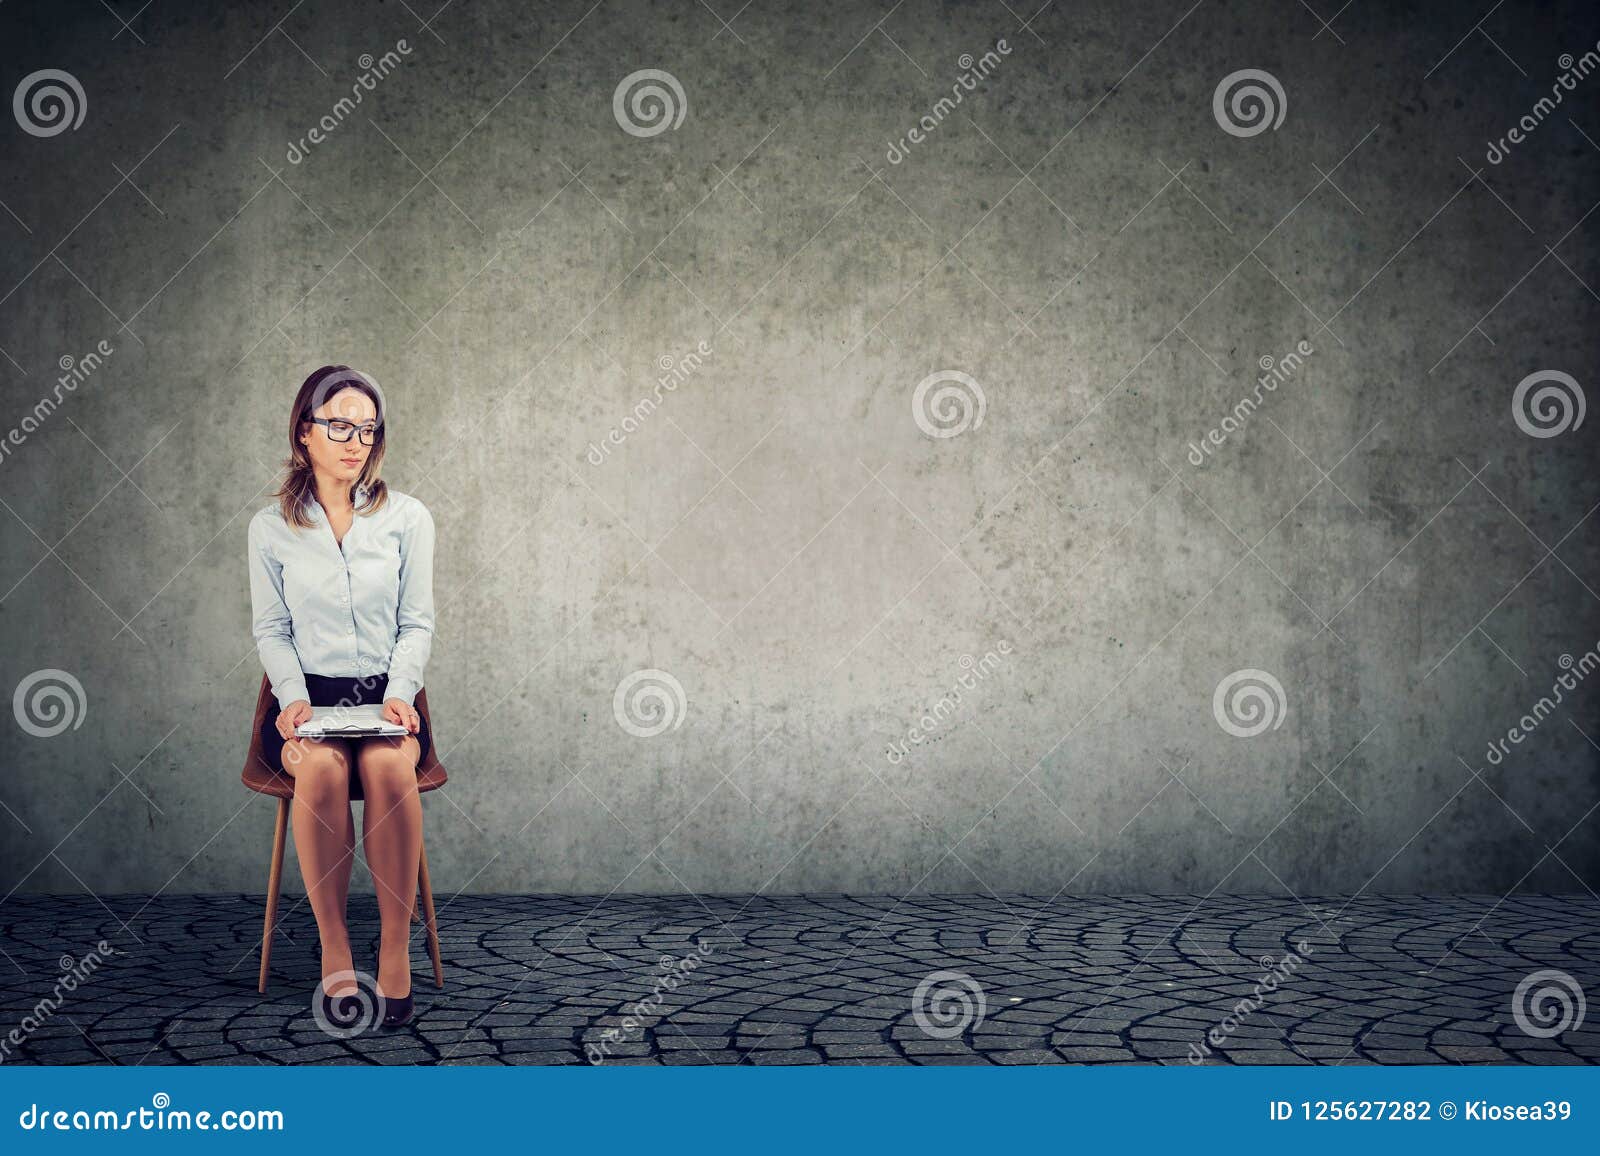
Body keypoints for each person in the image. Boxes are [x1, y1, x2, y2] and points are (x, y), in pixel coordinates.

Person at [247, 364, 435, 1028]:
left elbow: (417, 622)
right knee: (320, 771)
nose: (355, 441)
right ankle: (334, 949)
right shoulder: (270, 528)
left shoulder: (407, 517)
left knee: (387, 767)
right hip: (305, 703)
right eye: (339, 426)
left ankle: (392, 949)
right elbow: (271, 629)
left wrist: (401, 692)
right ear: (305, 434)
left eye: (367, 428)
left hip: (388, 700)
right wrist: (293, 700)